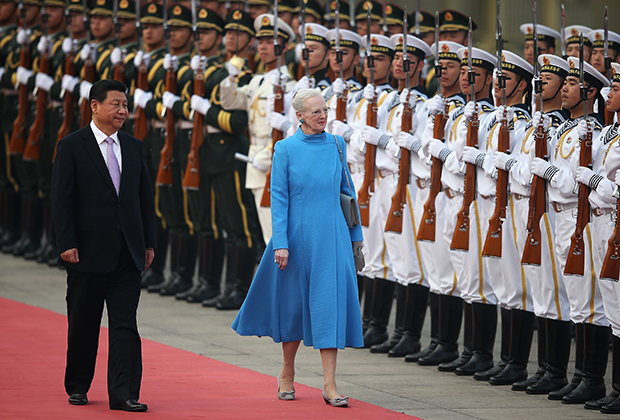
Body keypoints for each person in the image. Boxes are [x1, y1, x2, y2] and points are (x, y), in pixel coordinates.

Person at [232, 88, 365, 407]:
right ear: (300, 116)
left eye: (325, 109)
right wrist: (281, 243)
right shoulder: (285, 148)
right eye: (316, 111)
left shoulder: (336, 143)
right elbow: (277, 197)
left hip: (332, 237)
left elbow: (348, 193)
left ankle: (330, 384)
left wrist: (356, 237)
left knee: (328, 307)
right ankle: (287, 372)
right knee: (292, 308)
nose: (323, 115)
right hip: (296, 237)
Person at [51, 79, 156, 412]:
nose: (122, 111)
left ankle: (124, 393)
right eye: (115, 104)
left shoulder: (135, 146)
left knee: (125, 324)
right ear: (94, 105)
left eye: (125, 105)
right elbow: (61, 199)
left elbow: (144, 199)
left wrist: (148, 243)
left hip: (128, 251)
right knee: (84, 321)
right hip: (87, 250)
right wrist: (66, 242)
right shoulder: (72, 145)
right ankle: (78, 385)